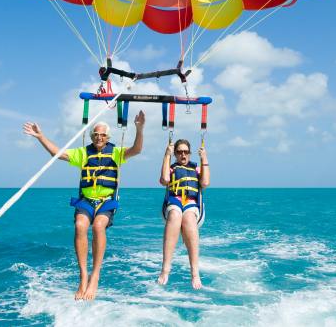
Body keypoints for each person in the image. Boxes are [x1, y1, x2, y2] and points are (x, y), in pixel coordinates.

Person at [23, 111, 144, 301]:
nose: (99, 137)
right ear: (92, 136)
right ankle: (83, 275)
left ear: (108, 137)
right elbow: (57, 153)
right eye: (96, 134)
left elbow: (136, 150)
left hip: (106, 201)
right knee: (80, 226)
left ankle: (95, 275)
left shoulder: (116, 152)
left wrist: (139, 128)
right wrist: (40, 136)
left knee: (98, 226)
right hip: (86, 200)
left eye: (103, 135)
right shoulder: (83, 153)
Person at [157, 138, 209, 289]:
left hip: (192, 204)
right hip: (174, 202)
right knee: (175, 215)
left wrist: (204, 158)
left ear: (190, 153)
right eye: (179, 152)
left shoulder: (197, 169)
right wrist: (166, 156)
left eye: (186, 152)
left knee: (189, 219)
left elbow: (205, 183)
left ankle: (195, 273)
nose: (183, 155)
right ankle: (165, 269)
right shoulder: (172, 168)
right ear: (175, 154)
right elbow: (165, 180)